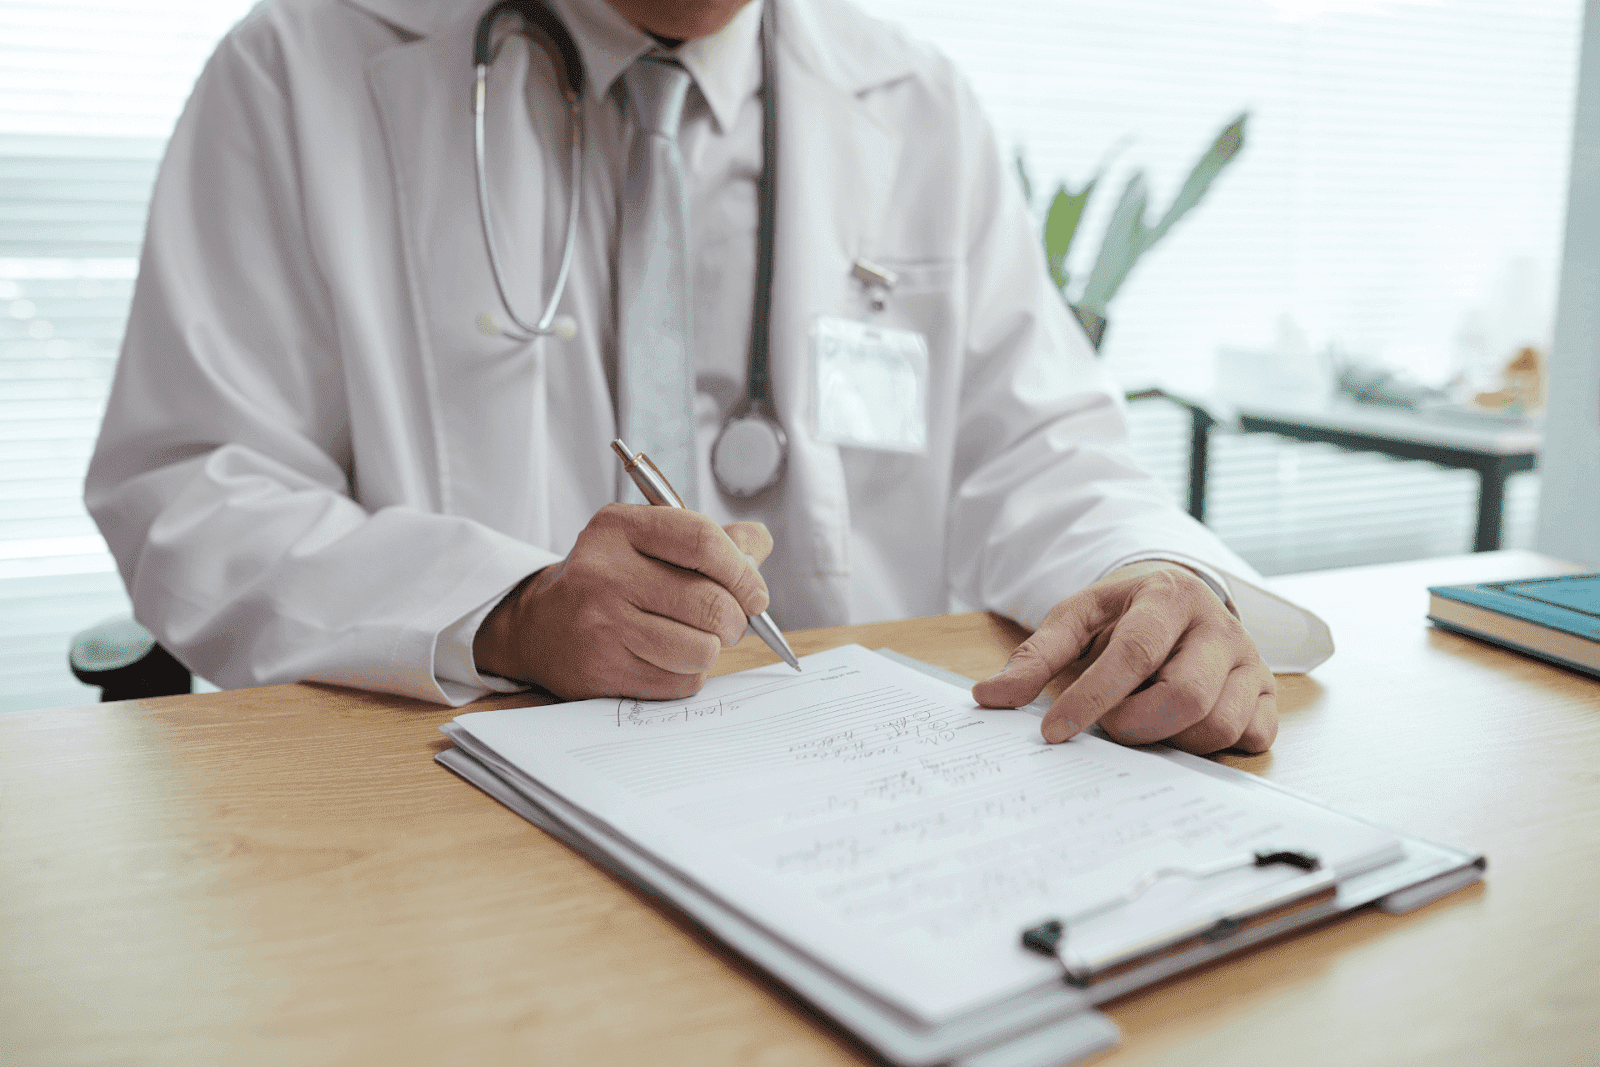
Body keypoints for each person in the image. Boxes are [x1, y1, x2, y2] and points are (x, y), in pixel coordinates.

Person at [86, 0, 1330, 754]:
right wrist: (506, 607)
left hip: (862, 806)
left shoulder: (913, 101)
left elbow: (1037, 449)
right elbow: (197, 482)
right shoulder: (299, 66)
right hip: (455, 800)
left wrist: (1148, 574)